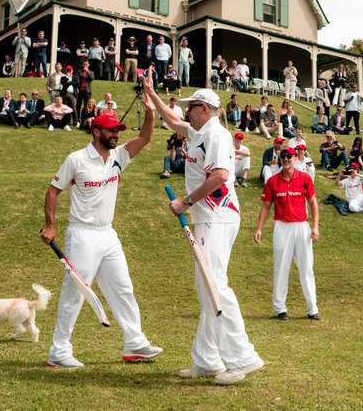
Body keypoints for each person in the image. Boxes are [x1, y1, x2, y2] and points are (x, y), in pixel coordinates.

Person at [142, 77, 264, 385]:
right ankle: (208, 360)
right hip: (207, 217)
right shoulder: (198, 131)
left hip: (217, 216)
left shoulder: (218, 135)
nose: (186, 112)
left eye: (191, 107)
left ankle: (243, 357)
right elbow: (172, 122)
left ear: (205, 109)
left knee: (215, 287)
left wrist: (185, 201)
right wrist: (152, 94)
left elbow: (222, 175)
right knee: (206, 289)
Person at [40, 102, 163, 369]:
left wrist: (151, 111)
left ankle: (134, 342)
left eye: (117, 129)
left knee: (123, 288)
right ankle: (59, 352)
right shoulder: (76, 159)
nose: (116, 134)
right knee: (75, 292)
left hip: (107, 234)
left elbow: (145, 137)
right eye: (110, 130)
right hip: (81, 234)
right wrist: (50, 226)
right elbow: (53, 191)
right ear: (96, 131)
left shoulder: (119, 156)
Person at [255, 146, 320, 321]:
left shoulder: (305, 178)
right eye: (283, 156)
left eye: (289, 156)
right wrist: (259, 228)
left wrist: (315, 226)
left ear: (295, 158)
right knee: (281, 267)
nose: (286, 159)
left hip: (301, 226)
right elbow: (266, 206)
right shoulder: (272, 181)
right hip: (282, 227)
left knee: (306, 267)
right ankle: (279, 308)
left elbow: (313, 202)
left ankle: (312, 308)